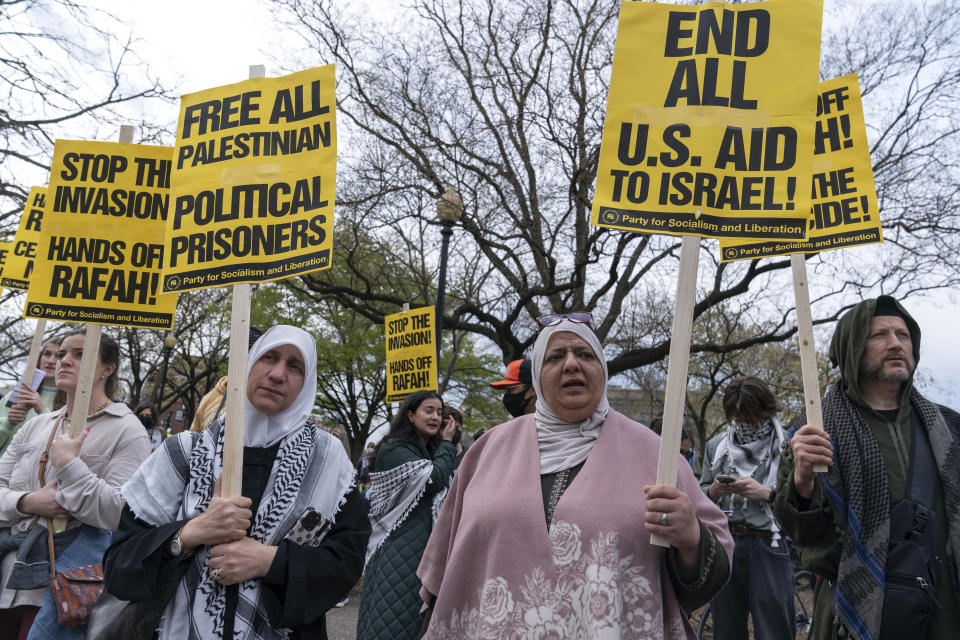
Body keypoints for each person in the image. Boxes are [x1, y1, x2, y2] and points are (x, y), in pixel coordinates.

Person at [417, 313, 733, 639]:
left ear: (602, 370)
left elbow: (712, 558)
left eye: (585, 354)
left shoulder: (657, 455)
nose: (570, 364)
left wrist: (691, 539)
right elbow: (448, 568)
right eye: (555, 357)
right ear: (538, 376)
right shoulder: (487, 450)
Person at [103, 326, 369, 640]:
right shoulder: (183, 454)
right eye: (269, 357)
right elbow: (119, 565)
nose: (278, 374)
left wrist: (271, 561)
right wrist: (188, 534)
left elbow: (346, 562)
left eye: (295, 366)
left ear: (306, 383)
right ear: (248, 364)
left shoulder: (327, 462)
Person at [775, 296, 960, 640]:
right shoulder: (813, 431)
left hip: (944, 610)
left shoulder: (950, 429)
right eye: (879, 335)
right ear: (852, 347)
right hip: (853, 612)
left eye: (903, 335)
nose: (895, 343)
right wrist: (802, 480)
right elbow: (803, 535)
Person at [0, 330, 150, 640]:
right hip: (6, 576)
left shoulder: (129, 431)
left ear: (107, 369)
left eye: (80, 354)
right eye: (62, 353)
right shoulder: (37, 425)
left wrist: (71, 466)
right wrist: (27, 502)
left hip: (63, 589)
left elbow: (119, 514)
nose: (63, 360)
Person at [356, 390, 457, 640]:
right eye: (429, 410)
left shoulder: (426, 452)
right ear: (410, 415)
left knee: (410, 625)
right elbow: (434, 479)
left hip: (420, 550)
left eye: (440, 412)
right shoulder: (394, 449)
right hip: (396, 549)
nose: (436, 416)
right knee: (390, 623)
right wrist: (447, 445)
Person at [700, 376, 795, 640]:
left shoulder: (787, 447)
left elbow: (801, 504)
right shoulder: (716, 446)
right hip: (726, 542)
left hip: (770, 545)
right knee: (727, 628)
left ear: (765, 411)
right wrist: (714, 491)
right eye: (736, 417)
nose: (742, 423)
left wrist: (767, 493)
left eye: (749, 417)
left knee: (774, 628)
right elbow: (700, 497)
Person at [190, 326, 264, 432]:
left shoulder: (268, 398)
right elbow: (194, 440)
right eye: (239, 349)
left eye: (252, 350)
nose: (245, 355)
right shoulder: (210, 398)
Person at [0, 341, 60, 457]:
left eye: (58, 356)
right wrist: (8, 423)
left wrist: (43, 411)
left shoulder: (73, 403)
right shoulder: (16, 395)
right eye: (47, 354)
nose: (51, 361)